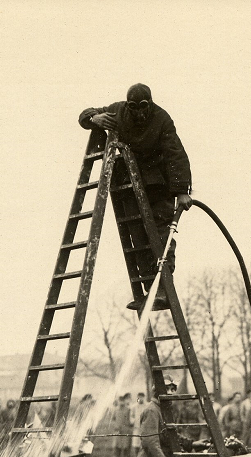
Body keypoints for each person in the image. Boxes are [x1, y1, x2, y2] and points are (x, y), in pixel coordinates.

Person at [79, 84, 193, 311]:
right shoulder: (117, 112)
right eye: (134, 108)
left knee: (160, 235)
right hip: (129, 184)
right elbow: (84, 115)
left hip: (157, 186)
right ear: (128, 106)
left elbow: (175, 153)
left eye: (144, 108)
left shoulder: (162, 119)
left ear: (150, 104)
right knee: (137, 237)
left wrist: (181, 191)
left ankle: (163, 289)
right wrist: (95, 119)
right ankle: (147, 291)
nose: (139, 114)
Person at [138, 377, 178, 457]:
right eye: (166, 389)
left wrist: (191, 444)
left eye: (172, 389)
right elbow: (150, 442)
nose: (170, 393)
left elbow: (171, 435)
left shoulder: (164, 409)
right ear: (157, 391)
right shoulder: (152, 410)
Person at [113, 393, 134, 457]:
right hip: (118, 428)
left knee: (126, 442)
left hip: (126, 428)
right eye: (120, 401)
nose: (121, 402)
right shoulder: (116, 410)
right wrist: (116, 426)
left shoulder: (128, 409)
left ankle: (126, 455)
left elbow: (131, 418)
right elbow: (114, 419)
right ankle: (117, 455)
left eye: (122, 401)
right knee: (117, 443)